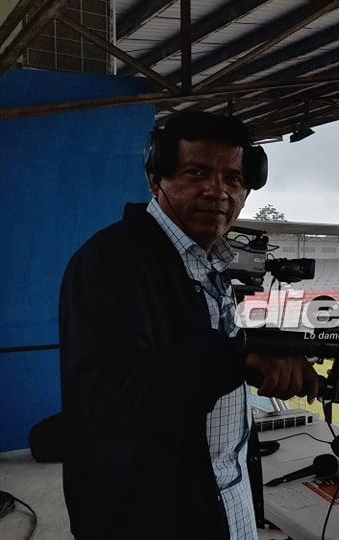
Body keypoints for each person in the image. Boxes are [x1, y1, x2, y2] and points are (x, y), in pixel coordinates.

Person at [59, 111, 324, 539]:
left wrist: (253, 364)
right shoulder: (111, 262)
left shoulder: (210, 264)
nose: (217, 191)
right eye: (197, 172)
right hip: (150, 518)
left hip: (223, 500)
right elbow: (113, 395)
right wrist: (238, 358)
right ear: (155, 179)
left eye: (233, 179)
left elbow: (197, 365)